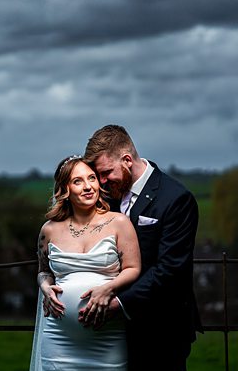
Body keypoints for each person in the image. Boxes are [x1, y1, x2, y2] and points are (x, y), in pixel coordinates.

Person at [80, 125, 203, 371]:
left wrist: (118, 304)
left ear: (127, 160)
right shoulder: (109, 195)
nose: (101, 182)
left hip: (162, 330)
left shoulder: (177, 199)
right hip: (114, 334)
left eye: (106, 173)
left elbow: (170, 270)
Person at [30, 155, 141, 371]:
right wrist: (45, 287)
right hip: (58, 339)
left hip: (106, 339)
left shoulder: (119, 223)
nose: (88, 186)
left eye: (92, 178)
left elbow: (133, 268)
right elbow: (43, 272)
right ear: (65, 189)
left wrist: (108, 289)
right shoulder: (49, 230)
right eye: (77, 181)